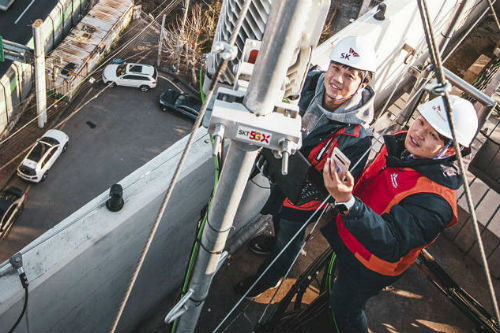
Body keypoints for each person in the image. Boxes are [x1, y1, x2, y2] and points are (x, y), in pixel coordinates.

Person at [321, 95, 478, 332]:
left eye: (434, 135)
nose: (418, 133)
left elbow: (392, 241)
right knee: (340, 291)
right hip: (352, 233)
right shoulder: (403, 146)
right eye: (422, 121)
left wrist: (347, 201)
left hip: (369, 264)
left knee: (346, 309)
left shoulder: (436, 202)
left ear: (451, 151)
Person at [236, 36, 377, 297]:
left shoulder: (357, 137)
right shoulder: (307, 83)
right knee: (277, 219)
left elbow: (342, 187)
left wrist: (325, 183)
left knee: (289, 239)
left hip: (305, 202)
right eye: (336, 68)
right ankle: (275, 241)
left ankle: (268, 279)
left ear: (363, 83)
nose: (337, 79)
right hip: (281, 178)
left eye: (350, 75)